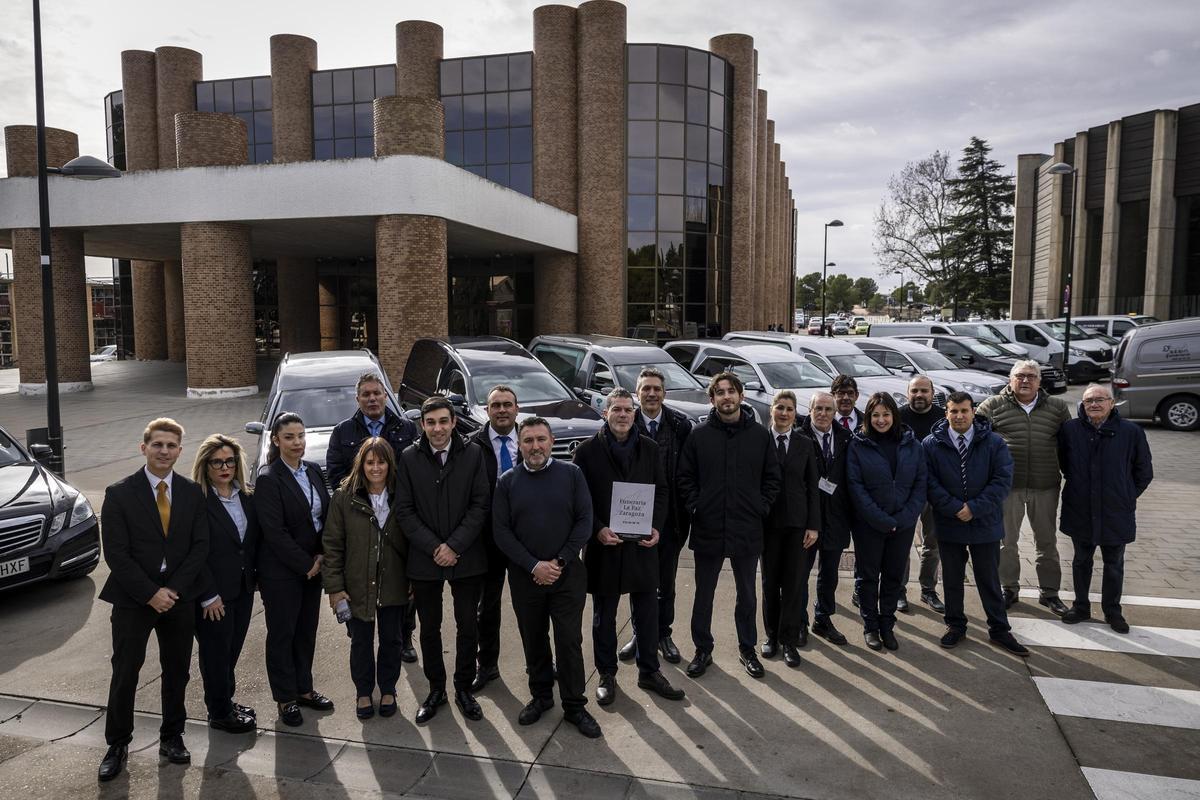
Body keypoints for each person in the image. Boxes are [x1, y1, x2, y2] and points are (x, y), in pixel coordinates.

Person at [97, 418, 209, 782]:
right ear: (143, 447)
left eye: (171, 445)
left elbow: (199, 547)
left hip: (178, 596)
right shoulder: (119, 493)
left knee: (177, 670)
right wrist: (150, 593)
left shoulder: (192, 493)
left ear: (180, 450)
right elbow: (116, 553)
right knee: (125, 671)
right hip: (133, 597)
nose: (164, 451)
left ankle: (172, 737)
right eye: (157, 444)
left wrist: (172, 590)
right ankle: (117, 743)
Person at [574, 389, 684, 706]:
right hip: (604, 547)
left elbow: (662, 491)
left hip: (641, 546)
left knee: (648, 613)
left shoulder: (649, 449)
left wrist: (656, 526)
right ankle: (607, 674)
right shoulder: (586, 452)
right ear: (605, 413)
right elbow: (581, 502)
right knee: (603, 616)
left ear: (634, 415)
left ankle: (649, 671)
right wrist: (597, 530)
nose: (623, 415)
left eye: (627, 410)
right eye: (617, 409)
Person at [493, 417, 601, 738]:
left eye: (541, 439)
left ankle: (574, 705)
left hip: (567, 576)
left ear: (552, 442)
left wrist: (558, 561)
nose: (535, 446)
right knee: (534, 639)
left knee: (569, 641)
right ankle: (541, 697)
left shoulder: (571, 475)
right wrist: (533, 565)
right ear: (520, 445)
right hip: (526, 578)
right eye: (528, 440)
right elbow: (501, 531)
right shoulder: (507, 482)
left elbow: (585, 520)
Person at [679, 371, 781, 679]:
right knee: (704, 595)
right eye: (720, 392)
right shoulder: (698, 435)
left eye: (731, 391)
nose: (726, 397)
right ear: (712, 399)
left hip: (747, 529)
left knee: (747, 595)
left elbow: (772, 479)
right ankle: (702, 649)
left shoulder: (760, 436)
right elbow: (685, 477)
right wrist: (696, 505)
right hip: (708, 527)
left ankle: (747, 649)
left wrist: (760, 507)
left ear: (741, 396)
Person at [395, 397, 490, 724]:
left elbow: (480, 506)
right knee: (429, 628)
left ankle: (463, 688)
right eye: (431, 422)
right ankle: (436, 690)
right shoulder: (408, 458)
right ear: (423, 424)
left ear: (453, 423)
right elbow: (404, 510)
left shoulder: (474, 454)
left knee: (468, 625)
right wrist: (436, 547)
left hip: (467, 557)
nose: (437, 428)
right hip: (425, 559)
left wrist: (454, 546)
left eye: (443, 421)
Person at [922, 393, 1029, 656]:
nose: (959, 416)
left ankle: (999, 629)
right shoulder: (931, 444)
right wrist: (954, 507)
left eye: (964, 411)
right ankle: (955, 625)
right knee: (952, 578)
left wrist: (975, 508)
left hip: (985, 521)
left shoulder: (993, 442)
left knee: (989, 578)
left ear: (973, 412)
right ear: (945, 413)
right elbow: (928, 482)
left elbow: (1002, 480)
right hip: (949, 521)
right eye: (953, 411)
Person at [325, 372, 420, 663]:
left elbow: (415, 469)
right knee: (361, 575)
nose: (372, 398)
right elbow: (335, 472)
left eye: (377, 393)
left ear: (385, 396)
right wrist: (365, 493)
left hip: (396, 511)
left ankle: (405, 637)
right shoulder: (343, 432)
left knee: (399, 577)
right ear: (358, 399)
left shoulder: (405, 427)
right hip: (360, 511)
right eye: (366, 394)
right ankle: (360, 633)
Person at [322, 438, 409, 720]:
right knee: (360, 642)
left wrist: (415, 581)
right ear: (361, 463)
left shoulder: (402, 494)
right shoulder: (344, 497)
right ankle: (362, 691)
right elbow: (332, 545)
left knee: (392, 640)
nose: (375, 468)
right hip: (357, 584)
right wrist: (335, 589)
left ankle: (388, 689)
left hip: (394, 582)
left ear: (389, 464)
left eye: (381, 462)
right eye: (370, 462)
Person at [255, 411, 333, 727]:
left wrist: (322, 556)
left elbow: (324, 517)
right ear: (276, 440)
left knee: (305, 633)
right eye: (289, 437)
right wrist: (306, 565)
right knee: (283, 635)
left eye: (301, 436)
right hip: (282, 573)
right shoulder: (268, 478)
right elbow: (274, 533)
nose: (297, 442)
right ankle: (285, 698)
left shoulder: (313, 470)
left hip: (314, 567)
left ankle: (304, 689)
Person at [1058, 384, 1154, 633]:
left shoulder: (1131, 431)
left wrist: (1126, 496)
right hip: (1080, 507)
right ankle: (1080, 606)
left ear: (1112, 403)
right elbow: (1064, 463)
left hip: (1115, 510)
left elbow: (1144, 471)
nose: (1094, 405)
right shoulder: (1070, 429)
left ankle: (1113, 611)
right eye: (1089, 401)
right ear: (1082, 404)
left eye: (1100, 400)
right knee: (1081, 560)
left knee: (1114, 563)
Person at [977, 360, 1071, 614]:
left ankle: (1050, 593)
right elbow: (976, 441)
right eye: (1020, 376)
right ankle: (1009, 588)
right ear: (1010, 380)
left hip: (1046, 485)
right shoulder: (992, 405)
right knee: (1006, 542)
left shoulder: (1058, 407)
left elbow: (1070, 445)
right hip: (1007, 487)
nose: (1025, 381)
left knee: (1047, 542)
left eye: (1031, 376)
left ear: (1040, 381)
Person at [621, 366, 693, 664]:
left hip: (672, 520)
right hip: (633, 519)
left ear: (664, 393)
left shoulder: (680, 425)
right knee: (639, 582)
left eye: (657, 389)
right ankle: (640, 634)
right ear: (637, 394)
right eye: (645, 388)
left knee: (667, 582)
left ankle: (663, 633)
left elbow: (689, 473)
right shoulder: (626, 422)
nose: (651, 393)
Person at [190, 434, 259, 735]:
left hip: (242, 588)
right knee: (215, 653)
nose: (224, 467)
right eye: (217, 462)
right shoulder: (197, 502)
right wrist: (207, 595)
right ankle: (219, 712)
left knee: (231, 650)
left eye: (229, 461)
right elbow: (193, 553)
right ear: (205, 466)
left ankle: (225, 701)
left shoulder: (246, 495)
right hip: (213, 594)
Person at [846, 392, 926, 652]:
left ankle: (887, 625)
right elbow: (855, 487)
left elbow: (920, 484)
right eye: (875, 415)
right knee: (867, 577)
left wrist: (904, 518)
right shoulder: (858, 444)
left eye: (886, 414)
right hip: (869, 524)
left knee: (893, 577)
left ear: (895, 415)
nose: (881, 420)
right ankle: (870, 626)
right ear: (868, 417)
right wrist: (881, 519)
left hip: (902, 525)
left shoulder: (912, 445)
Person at [465, 385, 521, 693]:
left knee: (534, 606)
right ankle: (486, 665)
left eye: (507, 405)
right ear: (487, 410)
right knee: (487, 608)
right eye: (495, 405)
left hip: (525, 539)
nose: (501, 410)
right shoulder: (472, 446)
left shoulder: (531, 440)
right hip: (487, 541)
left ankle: (541, 661)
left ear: (517, 408)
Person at [760, 390, 821, 667]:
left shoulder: (805, 443)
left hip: (798, 525)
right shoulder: (759, 441)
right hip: (767, 524)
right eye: (779, 407)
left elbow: (812, 487)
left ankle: (788, 640)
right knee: (770, 583)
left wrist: (813, 525)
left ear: (795, 413)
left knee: (794, 584)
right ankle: (771, 636)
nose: (784, 413)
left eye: (789, 409)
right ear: (771, 410)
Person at [798, 391, 854, 646]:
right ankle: (798, 621)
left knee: (829, 574)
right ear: (809, 411)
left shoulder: (846, 438)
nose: (822, 414)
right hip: (806, 518)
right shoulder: (799, 437)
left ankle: (823, 619)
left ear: (835, 413)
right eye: (818, 408)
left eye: (828, 409)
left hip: (836, 517)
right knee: (800, 573)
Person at [899, 375, 945, 613]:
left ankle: (928, 589)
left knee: (932, 543)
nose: (919, 395)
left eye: (923, 391)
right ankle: (899, 590)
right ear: (908, 394)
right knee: (902, 543)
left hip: (934, 491)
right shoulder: (897, 417)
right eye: (914, 391)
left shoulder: (943, 417)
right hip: (905, 492)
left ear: (932, 392)